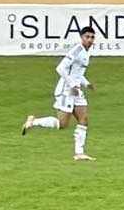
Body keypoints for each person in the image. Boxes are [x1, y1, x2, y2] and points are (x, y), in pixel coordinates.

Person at [21, 27, 95, 161]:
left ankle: (79, 153)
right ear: (81, 37)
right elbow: (60, 68)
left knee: (84, 119)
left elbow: (77, 73)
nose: (90, 39)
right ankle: (33, 122)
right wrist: (72, 85)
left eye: (92, 37)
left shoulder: (87, 52)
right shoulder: (77, 50)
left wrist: (87, 83)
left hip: (76, 90)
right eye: (87, 37)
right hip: (66, 90)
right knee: (62, 124)